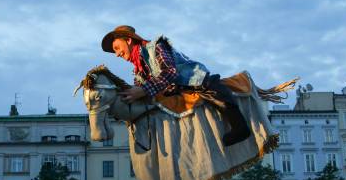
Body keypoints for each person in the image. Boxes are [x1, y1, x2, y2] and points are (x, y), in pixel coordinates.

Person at [101, 25, 250, 146]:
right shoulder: (138, 71)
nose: (117, 54)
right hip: (171, 93)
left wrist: (144, 89)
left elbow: (170, 71)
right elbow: (142, 96)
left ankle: (240, 126)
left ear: (128, 40)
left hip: (191, 79)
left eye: (116, 48)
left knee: (211, 87)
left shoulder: (155, 47)